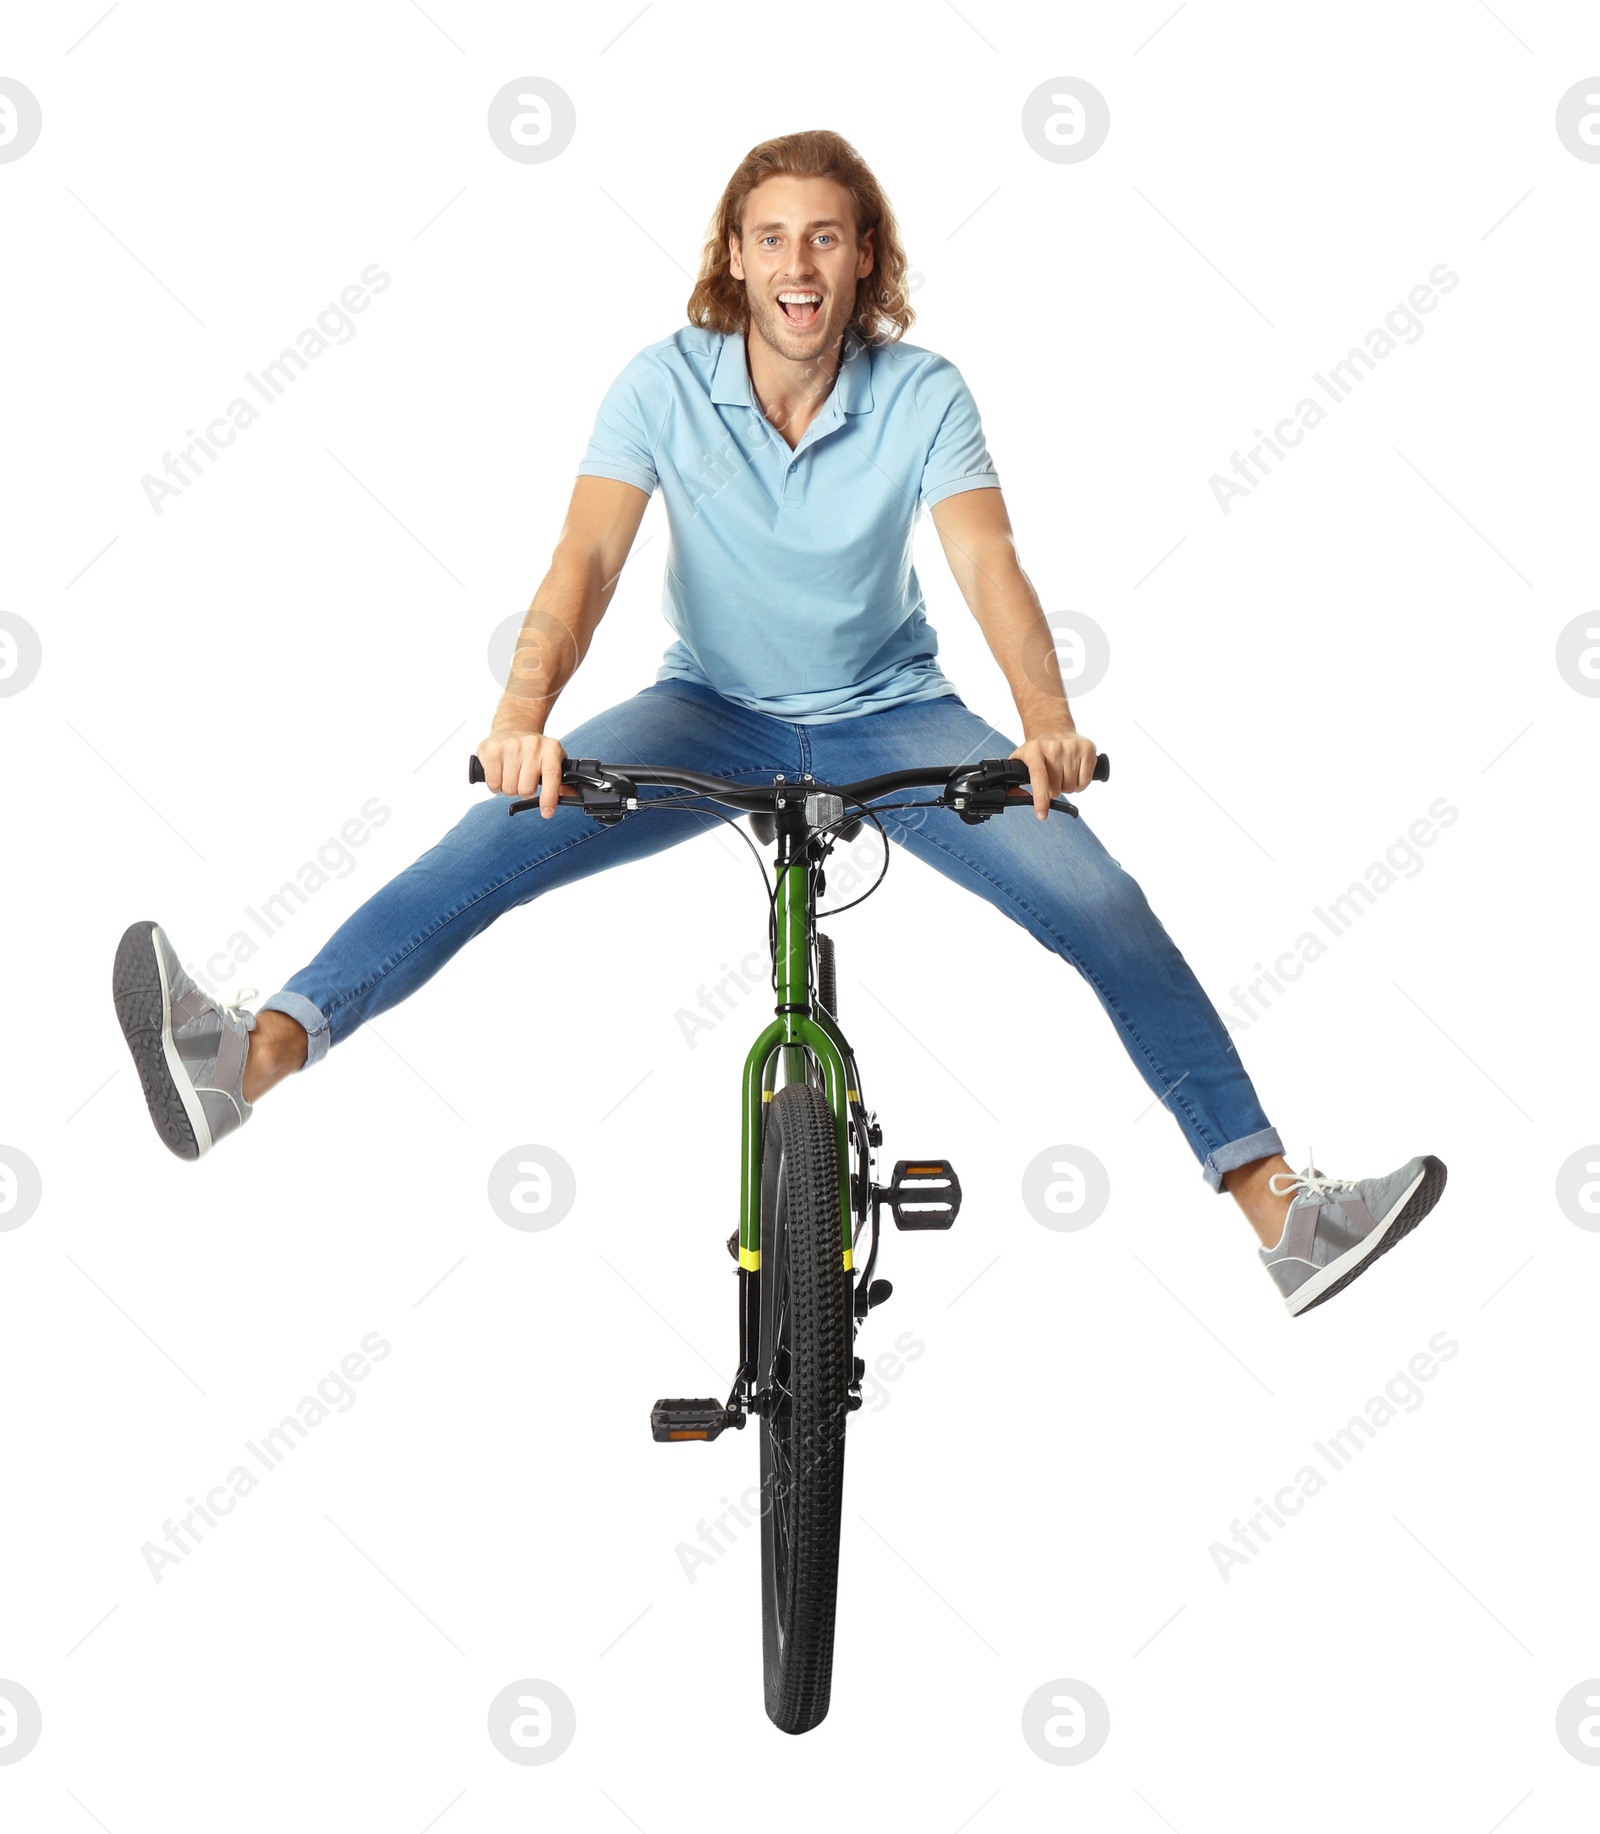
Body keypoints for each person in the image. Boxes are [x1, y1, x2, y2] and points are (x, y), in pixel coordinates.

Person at [111, 129, 1444, 1317]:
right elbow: (583, 566)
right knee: (492, 842)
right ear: (734, 261)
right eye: (770, 238)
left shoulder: (921, 392)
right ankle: (249, 1055)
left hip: (897, 720)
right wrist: (524, 720)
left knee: (1100, 904)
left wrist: (1046, 726)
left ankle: (1278, 1211)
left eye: (825, 235)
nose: (798, 262)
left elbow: (990, 568)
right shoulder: (660, 384)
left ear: (866, 257)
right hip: (708, 715)